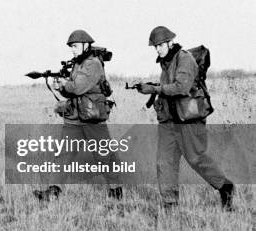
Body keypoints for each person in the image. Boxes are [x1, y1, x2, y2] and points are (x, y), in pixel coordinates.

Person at [138, 26, 234, 211]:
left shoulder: (185, 59)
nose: (157, 49)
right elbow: (168, 86)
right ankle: (170, 204)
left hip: (189, 121)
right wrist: (152, 87)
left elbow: (181, 87)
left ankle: (225, 187)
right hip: (170, 122)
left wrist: (155, 89)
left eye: (160, 45)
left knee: (196, 159)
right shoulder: (165, 63)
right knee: (164, 162)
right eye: (155, 46)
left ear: (170, 42)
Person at [32, 30, 123, 201]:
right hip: (74, 116)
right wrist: (60, 87)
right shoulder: (77, 64)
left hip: (92, 116)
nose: (73, 50)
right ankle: (53, 192)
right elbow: (71, 92)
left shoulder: (93, 64)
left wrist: (66, 83)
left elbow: (79, 87)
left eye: (75, 46)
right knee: (63, 154)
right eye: (71, 47)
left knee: (103, 155)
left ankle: (115, 190)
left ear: (85, 45)